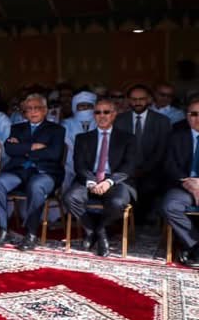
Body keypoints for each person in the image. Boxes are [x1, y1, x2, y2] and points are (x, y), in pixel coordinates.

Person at [0, 94, 65, 251]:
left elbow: (54, 154)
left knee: (36, 185)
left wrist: (22, 148)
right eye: (29, 109)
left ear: (45, 110)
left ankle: (31, 233)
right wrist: (33, 146)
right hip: (20, 170)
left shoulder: (57, 129)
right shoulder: (17, 128)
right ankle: (1, 230)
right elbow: (10, 149)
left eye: (37, 108)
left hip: (45, 172)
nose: (33, 112)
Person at [62, 98, 137, 257]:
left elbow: (129, 166)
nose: (102, 116)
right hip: (89, 178)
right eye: (98, 112)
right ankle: (91, 230)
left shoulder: (127, 138)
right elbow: (79, 165)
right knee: (70, 198)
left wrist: (109, 182)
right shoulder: (82, 138)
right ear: (93, 115)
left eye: (106, 112)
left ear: (114, 114)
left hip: (116, 180)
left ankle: (101, 229)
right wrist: (90, 181)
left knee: (118, 203)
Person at [115, 84, 171, 223]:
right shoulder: (119, 120)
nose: (138, 102)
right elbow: (116, 149)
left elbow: (162, 150)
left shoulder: (162, 121)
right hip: (126, 172)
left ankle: (146, 221)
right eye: (134, 99)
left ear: (149, 99)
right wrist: (129, 169)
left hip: (152, 172)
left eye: (142, 99)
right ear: (128, 100)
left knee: (152, 186)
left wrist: (144, 170)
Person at [158, 96, 199, 267]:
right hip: (182, 187)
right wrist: (189, 183)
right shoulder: (176, 136)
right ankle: (195, 245)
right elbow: (169, 165)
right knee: (170, 206)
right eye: (194, 114)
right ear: (187, 116)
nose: (198, 118)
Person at [61, 90, 97, 190]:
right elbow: (67, 147)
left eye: (89, 106)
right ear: (75, 107)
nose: (85, 108)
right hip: (70, 164)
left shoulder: (100, 123)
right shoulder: (66, 124)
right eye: (82, 106)